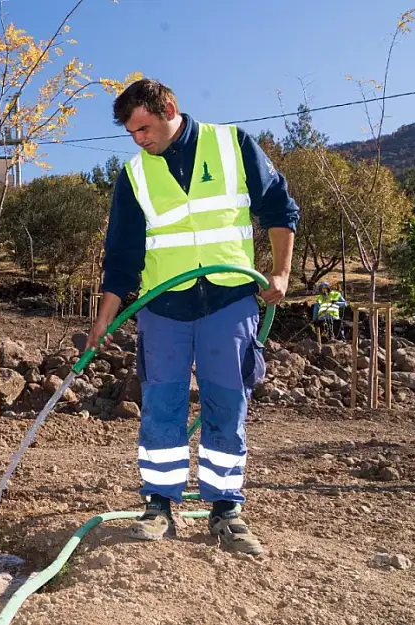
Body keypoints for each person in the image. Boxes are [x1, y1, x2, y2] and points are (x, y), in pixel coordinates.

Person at [86, 79, 299, 555]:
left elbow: (279, 207)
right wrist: (103, 320)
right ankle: (159, 506)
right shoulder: (135, 176)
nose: (139, 139)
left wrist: (281, 273)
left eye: (144, 127)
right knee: (162, 405)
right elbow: (121, 257)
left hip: (229, 301)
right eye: (131, 132)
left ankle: (226, 511)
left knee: (226, 402)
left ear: (169, 109)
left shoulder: (232, 145)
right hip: (164, 308)